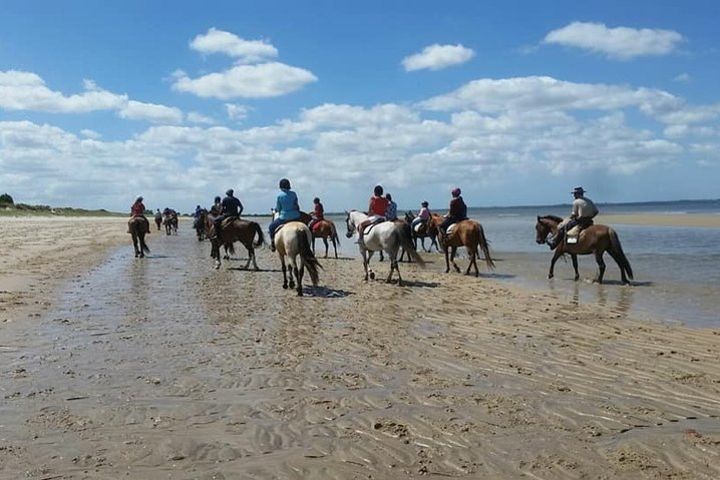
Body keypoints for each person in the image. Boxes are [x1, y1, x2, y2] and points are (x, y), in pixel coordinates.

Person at [268, 178, 301, 251]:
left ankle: (273, 244)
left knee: (271, 227)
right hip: (296, 217)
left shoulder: (279, 196)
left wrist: (274, 210)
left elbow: (278, 209)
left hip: (284, 218)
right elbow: (296, 205)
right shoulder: (294, 194)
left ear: (280, 186)